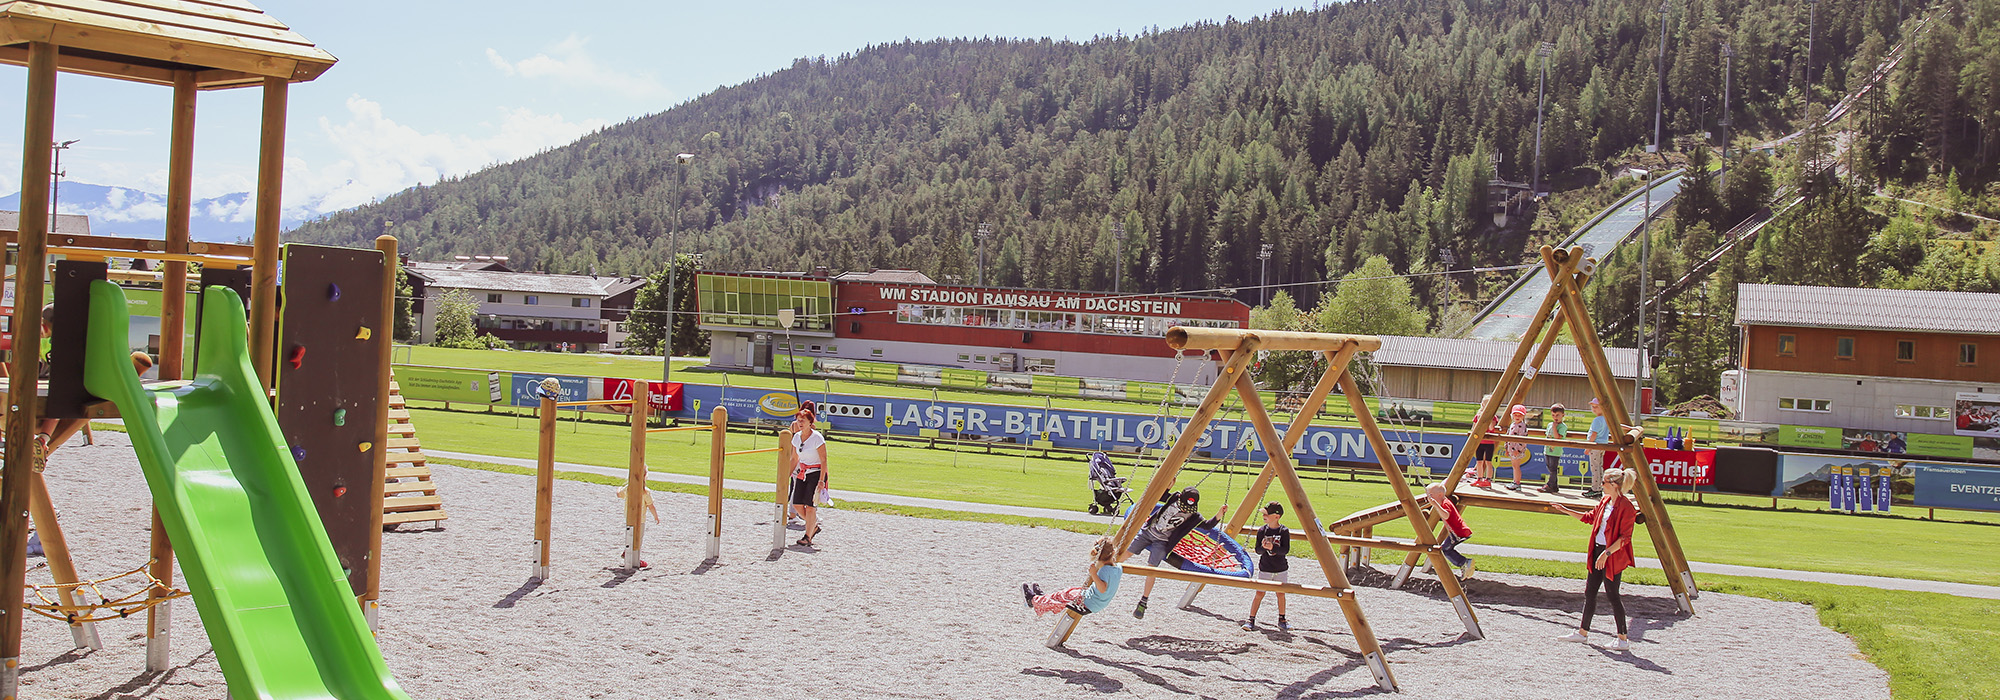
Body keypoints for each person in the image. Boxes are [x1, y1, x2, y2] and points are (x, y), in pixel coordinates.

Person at [1554, 468, 1638, 650]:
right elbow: (1589, 518)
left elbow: (1625, 538)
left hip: (1611, 555)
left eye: (1605, 482)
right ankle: (1582, 632)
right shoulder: (1605, 501)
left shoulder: (1626, 507)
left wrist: (1607, 553)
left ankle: (1622, 638)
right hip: (1598, 552)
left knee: (1612, 595)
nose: (1602, 485)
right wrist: (1565, 510)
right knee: (1590, 592)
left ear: (1614, 485)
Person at [1116, 486, 1227, 619]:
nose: (1186, 510)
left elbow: (1207, 525)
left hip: (1162, 542)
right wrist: (1168, 484)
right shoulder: (1174, 497)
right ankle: (1104, 571)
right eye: (1184, 506)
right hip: (1147, 532)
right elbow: (1160, 493)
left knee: (1152, 569)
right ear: (1180, 498)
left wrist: (1219, 514)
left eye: (1189, 509)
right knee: (1126, 554)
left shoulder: (1194, 517)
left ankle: (1143, 601)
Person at [1023, 537, 1122, 616]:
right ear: (1113, 551)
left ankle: (1033, 600)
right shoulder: (1118, 567)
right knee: (1070, 591)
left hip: (1089, 603)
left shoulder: (1104, 571)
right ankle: (1043, 598)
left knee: (1063, 596)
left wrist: (1093, 574)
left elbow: (1102, 588)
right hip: (1097, 602)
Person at [1243, 502, 1290, 631]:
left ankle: (1282, 619)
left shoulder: (1284, 531)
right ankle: (1251, 619)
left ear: (1277, 516)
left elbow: (1285, 550)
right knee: (1259, 593)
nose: (1264, 516)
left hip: (1281, 568)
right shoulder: (1262, 531)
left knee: (1280, 594)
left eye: (1266, 514)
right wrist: (1264, 548)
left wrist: (1273, 547)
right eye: (1263, 513)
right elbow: (1257, 550)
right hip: (1265, 567)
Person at [788, 401, 828, 547]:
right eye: (798, 421)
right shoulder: (796, 437)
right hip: (802, 472)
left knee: (810, 506)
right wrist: (787, 474)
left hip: (816, 473)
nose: (800, 423)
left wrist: (822, 480)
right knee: (797, 505)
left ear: (810, 422)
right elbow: (794, 458)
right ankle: (813, 525)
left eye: (802, 421)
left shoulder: (817, 438)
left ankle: (807, 536)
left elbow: (824, 460)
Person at [1423, 482, 1474, 579]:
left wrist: (1436, 505)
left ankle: (1464, 562)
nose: (1428, 498)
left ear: (1440, 495)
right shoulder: (1444, 501)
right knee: (1446, 549)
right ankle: (1464, 565)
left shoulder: (1445, 503)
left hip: (1459, 532)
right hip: (1459, 531)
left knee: (1445, 550)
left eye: (1430, 495)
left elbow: (1446, 515)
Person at [1584, 398, 1614, 498]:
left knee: (1595, 468)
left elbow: (1594, 434)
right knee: (1599, 467)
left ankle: (1595, 488)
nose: (1594, 409)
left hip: (1595, 445)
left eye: (1596, 407)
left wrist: (1588, 446)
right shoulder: (1606, 419)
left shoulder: (1597, 420)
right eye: (1593, 407)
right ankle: (1600, 487)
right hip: (1603, 445)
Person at [1542, 404, 1569, 494]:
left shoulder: (1562, 426)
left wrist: (1554, 427)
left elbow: (1557, 437)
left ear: (1562, 415)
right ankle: (1554, 486)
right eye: (1553, 415)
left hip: (1556, 451)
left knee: (1553, 469)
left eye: (1557, 415)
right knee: (1549, 467)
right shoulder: (1550, 424)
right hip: (1548, 449)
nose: (1555, 417)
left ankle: (1549, 484)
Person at [1503, 404, 1530, 490]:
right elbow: (1508, 436)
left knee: (1516, 466)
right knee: (1514, 465)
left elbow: (1522, 440)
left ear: (1523, 416)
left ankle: (1517, 482)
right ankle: (1515, 481)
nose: (1517, 417)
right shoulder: (1512, 425)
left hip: (1517, 450)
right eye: (1515, 415)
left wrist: (1518, 450)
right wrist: (1506, 448)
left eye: (1520, 415)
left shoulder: (1522, 426)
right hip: (1511, 449)